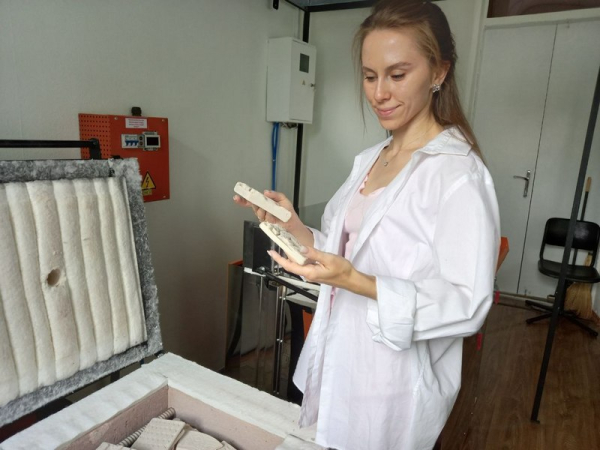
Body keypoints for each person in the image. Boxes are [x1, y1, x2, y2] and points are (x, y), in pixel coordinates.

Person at [234, 1, 500, 448]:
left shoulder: (458, 175)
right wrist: (294, 227)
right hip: (340, 354)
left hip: (391, 379)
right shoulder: (371, 159)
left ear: (439, 72)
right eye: (369, 76)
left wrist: (356, 281)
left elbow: (468, 303)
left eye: (397, 75)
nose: (379, 93)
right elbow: (345, 253)